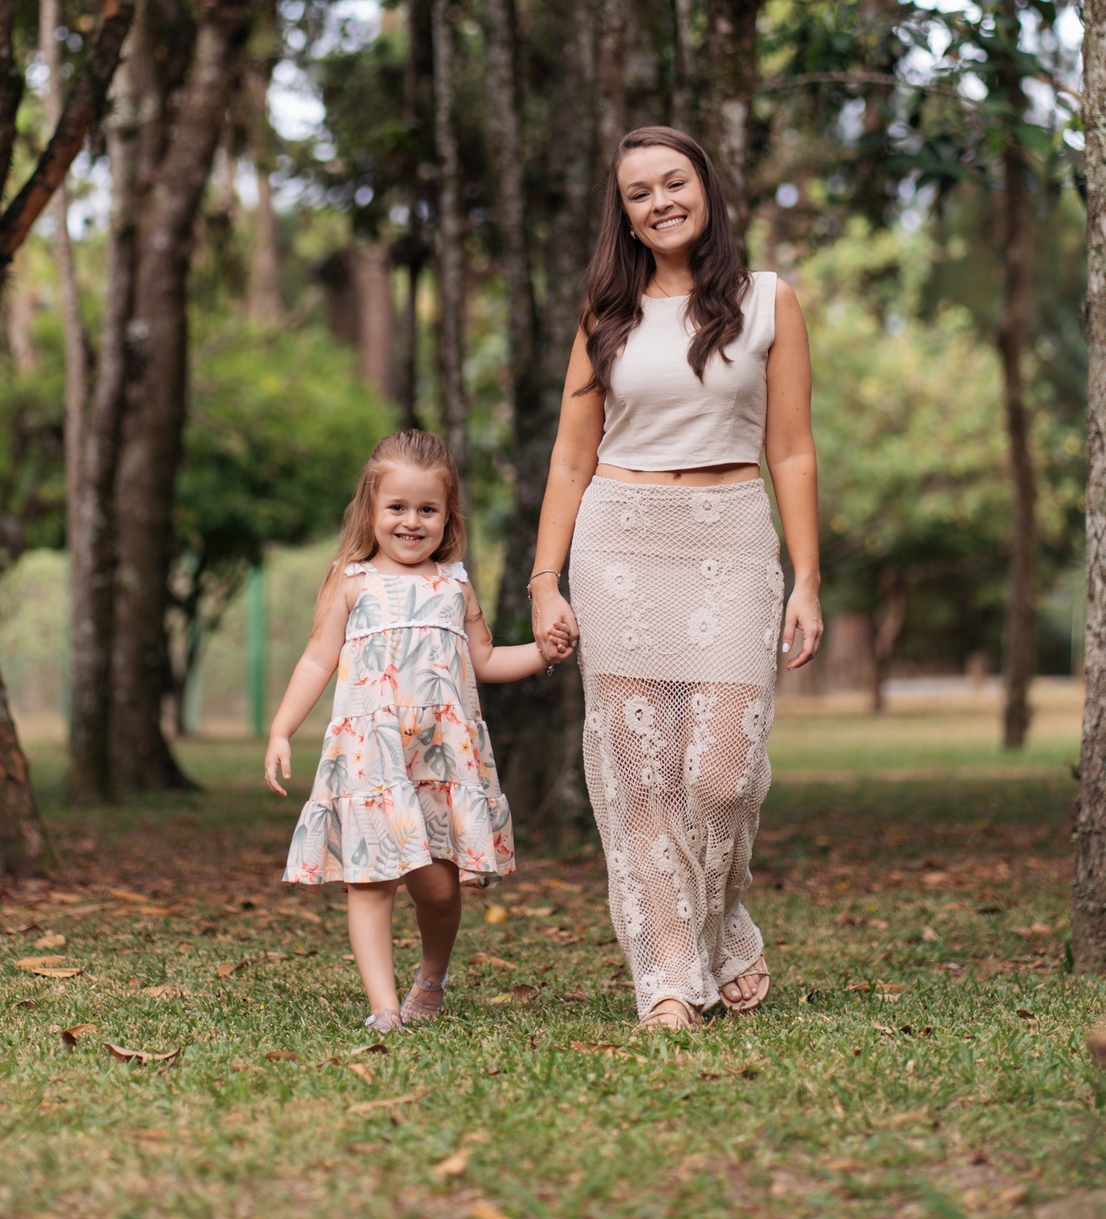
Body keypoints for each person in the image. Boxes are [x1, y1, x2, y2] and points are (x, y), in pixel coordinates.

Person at [529, 127, 822, 1031]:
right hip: (618, 539)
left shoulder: (771, 301)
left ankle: (724, 920)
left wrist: (807, 578)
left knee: (723, 776)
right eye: (639, 193)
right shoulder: (604, 314)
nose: (659, 203)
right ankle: (667, 979)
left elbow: (793, 449)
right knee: (640, 776)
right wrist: (546, 579)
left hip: (731, 537)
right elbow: (571, 462)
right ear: (622, 212)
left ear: (706, 188)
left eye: (674, 182)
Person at [264, 429, 565, 1033]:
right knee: (369, 884)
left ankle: (431, 975)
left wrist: (542, 651)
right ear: (371, 510)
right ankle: (383, 1008)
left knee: (437, 891)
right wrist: (281, 730)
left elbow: (485, 660)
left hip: (438, 765)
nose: (411, 522)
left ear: (447, 515)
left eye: (427, 509)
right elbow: (316, 660)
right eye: (396, 508)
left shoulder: (453, 585)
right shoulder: (350, 580)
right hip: (370, 762)